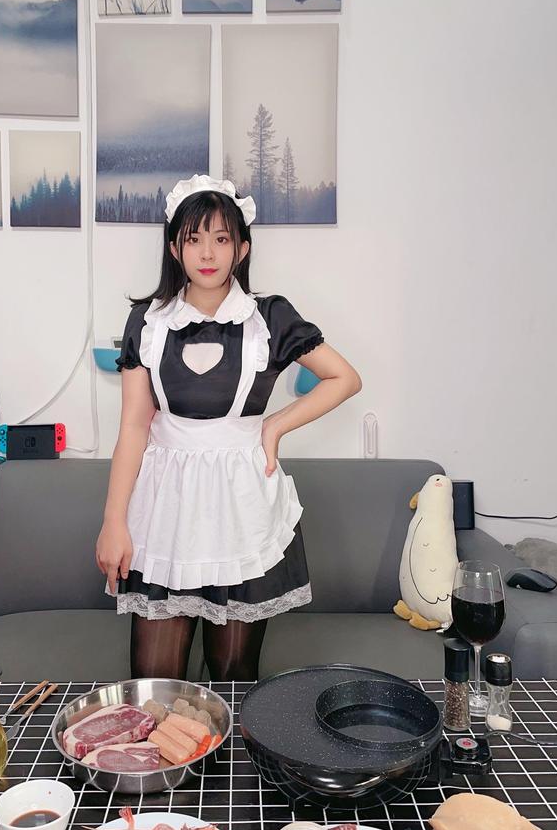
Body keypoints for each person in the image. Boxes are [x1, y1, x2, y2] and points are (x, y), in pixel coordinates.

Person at [96, 174, 362, 682]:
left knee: (234, 677)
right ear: (174, 248)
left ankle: (224, 742)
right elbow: (133, 426)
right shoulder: (147, 321)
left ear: (241, 248)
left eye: (221, 238)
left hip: (242, 505)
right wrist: (114, 522)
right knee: (154, 683)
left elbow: (344, 378)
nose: (207, 253)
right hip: (165, 505)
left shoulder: (270, 317)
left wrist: (275, 425)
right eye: (194, 238)